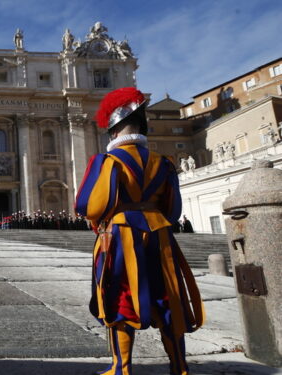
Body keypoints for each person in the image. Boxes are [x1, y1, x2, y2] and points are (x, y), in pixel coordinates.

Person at [75, 87, 204, 375]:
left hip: (120, 236)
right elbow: (173, 210)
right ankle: (179, 366)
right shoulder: (164, 163)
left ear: (113, 131)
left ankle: (121, 368)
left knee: (118, 294)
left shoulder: (106, 162)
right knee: (168, 295)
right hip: (160, 235)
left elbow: (89, 206)